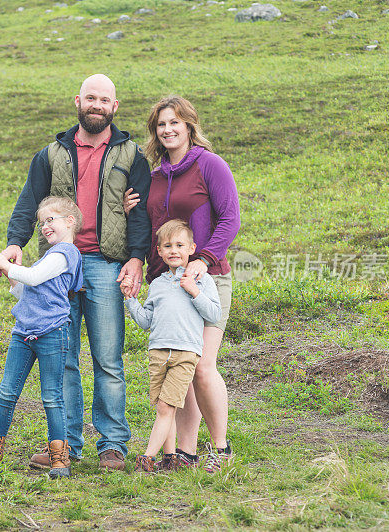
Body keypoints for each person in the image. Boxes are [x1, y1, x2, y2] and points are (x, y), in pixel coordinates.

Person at [0, 74, 152, 471]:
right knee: (62, 358)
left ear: (115, 107)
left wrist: (136, 258)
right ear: (78, 102)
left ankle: (113, 444)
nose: (97, 105)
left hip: (105, 263)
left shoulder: (132, 155)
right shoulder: (51, 154)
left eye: (104, 99)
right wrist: (16, 242)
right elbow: (28, 202)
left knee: (108, 358)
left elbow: (142, 215)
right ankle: (65, 445)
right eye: (90, 98)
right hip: (58, 265)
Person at [123, 96, 240, 473]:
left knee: (203, 367)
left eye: (175, 122)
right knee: (182, 369)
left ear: (189, 125)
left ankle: (220, 449)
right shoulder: (154, 177)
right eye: (161, 124)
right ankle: (185, 454)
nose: (168, 130)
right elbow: (148, 224)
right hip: (165, 285)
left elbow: (230, 219)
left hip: (208, 278)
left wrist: (202, 260)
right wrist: (131, 210)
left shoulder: (210, 165)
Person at [0, 196, 84, 478]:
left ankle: (60, 460)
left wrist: (6, 264)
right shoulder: (49, 255)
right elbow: (28, 289)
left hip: (53, 333)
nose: (45, 227)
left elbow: (36, 277)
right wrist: (11, 277)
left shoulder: (66, 253)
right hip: (24, 332)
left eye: (50, 219)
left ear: (70, 221)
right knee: (6, 392)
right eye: (42, 223)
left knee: (52, 396)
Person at [122, 219, 220, 473]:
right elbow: (146, 322)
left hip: (185, 352)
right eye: (167, 246)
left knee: (167, 406)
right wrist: (130, 299)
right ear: (159, 251)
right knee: (163, 407)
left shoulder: (201, 279)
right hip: (158, 352)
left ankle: (147, 457)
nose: (174, 250)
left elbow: (214, 314)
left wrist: (194, 291)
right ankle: (170, 458)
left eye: (179, 245)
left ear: (191, 248)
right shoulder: (158, 284)